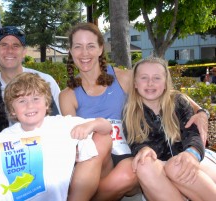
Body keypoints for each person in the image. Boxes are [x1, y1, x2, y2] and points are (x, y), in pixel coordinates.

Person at [59, 22, 210, 201]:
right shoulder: (67, 95)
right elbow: (75, 140)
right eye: (78, 47)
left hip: (132, 152)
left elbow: (166, 93)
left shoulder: (123, 78)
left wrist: (200, 111)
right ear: (70, 50)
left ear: (100, 49)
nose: (85, 53)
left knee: (127, 174)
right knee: (100, 140)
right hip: (98, 160)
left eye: (91, 46)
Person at [0, 72, 112, 200]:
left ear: (47, 103)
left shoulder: (62, 125)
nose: (30, 105)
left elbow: (106, 127)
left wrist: (89, 125)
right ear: (13, 110)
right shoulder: (5, 137)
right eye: (21, 101)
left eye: (36, 98)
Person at [123, 57, 216, 201]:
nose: (150, 83)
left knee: (176, 166)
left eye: (157, 78)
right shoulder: (130, 111)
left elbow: (193, 134)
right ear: (135, 83)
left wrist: (192, 153)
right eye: (144, 78)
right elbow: (135, 141)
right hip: (160, 170)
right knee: (144, 163)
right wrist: (142, 149)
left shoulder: (178, 101)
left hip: (191, 159)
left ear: (166, 83)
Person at [0, 26, 60, 115]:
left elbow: (61, 122)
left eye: (16, 46)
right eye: (4, 45)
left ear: (24, 52)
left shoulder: (45, 82)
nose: (10, 50)